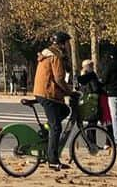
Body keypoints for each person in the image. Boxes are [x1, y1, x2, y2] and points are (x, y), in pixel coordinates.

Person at [33, 31, 73, 171]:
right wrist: (70, 92)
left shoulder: (49, 53)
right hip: (47, 93)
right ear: (62, 44)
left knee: (65, 110)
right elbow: (59, 79)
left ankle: (45, 130)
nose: (69, 46)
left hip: (43, 91)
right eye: (68, 43)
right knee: (56, 127)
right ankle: (52, 160)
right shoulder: (55, 56)